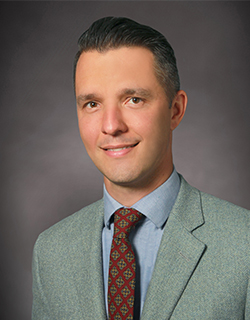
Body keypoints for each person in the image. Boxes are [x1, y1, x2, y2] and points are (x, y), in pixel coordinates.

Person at [32, 17, 250, 320]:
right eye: (92, 104)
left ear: (175, 110)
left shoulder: (244, 242)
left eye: (133, 99)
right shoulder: (51, 251)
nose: (111, 126)